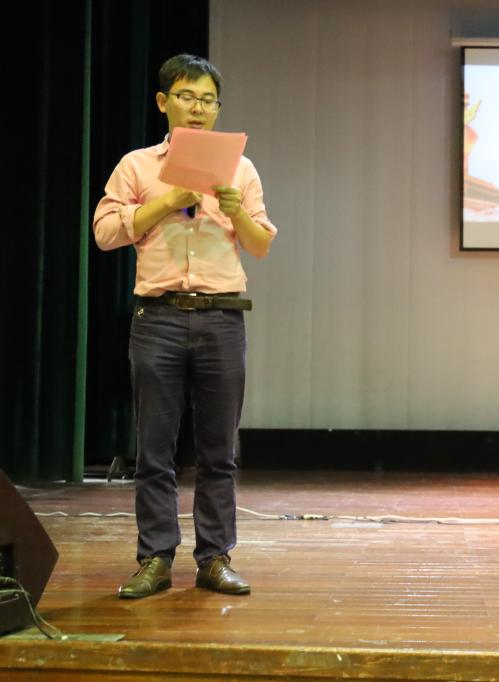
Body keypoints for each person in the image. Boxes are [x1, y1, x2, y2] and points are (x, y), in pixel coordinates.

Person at [93, 54, 276, 598]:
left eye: (207, 100)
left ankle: (215, 558)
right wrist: (167, 201)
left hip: (222, 316)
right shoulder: (137, 166)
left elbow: (261, 245)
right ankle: (154, 558)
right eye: (187, 96)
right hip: (159, 318)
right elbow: (105, 233)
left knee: (219, 450)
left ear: (218, 109)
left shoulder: (241, 169)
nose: (197, 108)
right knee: (155, 449)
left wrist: (235, 211)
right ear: (163, 102)